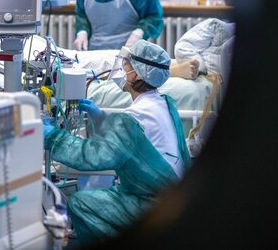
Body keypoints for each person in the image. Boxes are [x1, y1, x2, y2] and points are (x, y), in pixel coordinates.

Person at [43, 40, 191, 245]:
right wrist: (100, 118)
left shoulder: (136, 115)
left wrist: (51, 136)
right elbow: (135, 141)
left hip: (149, 202)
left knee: (80, 202)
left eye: (126, 66)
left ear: (137, 74)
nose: (122, 70)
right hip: (173, 198)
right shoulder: (163, 103)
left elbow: (89, 157)